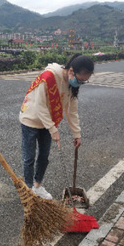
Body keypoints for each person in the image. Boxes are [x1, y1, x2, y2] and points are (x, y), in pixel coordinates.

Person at [19, 54, 94, 199]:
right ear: (71, 71)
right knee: (29, 158)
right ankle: (28, 191)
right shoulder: (49, 77)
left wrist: (76, 134)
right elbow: (40, 106)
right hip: (31, 119)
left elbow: (71, 111)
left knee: (44, 157)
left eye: (83, 82)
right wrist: (53, 130)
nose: (80, 83)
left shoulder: (72, 86)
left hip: (48, 122)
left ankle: (37, 186)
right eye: (80, 80)